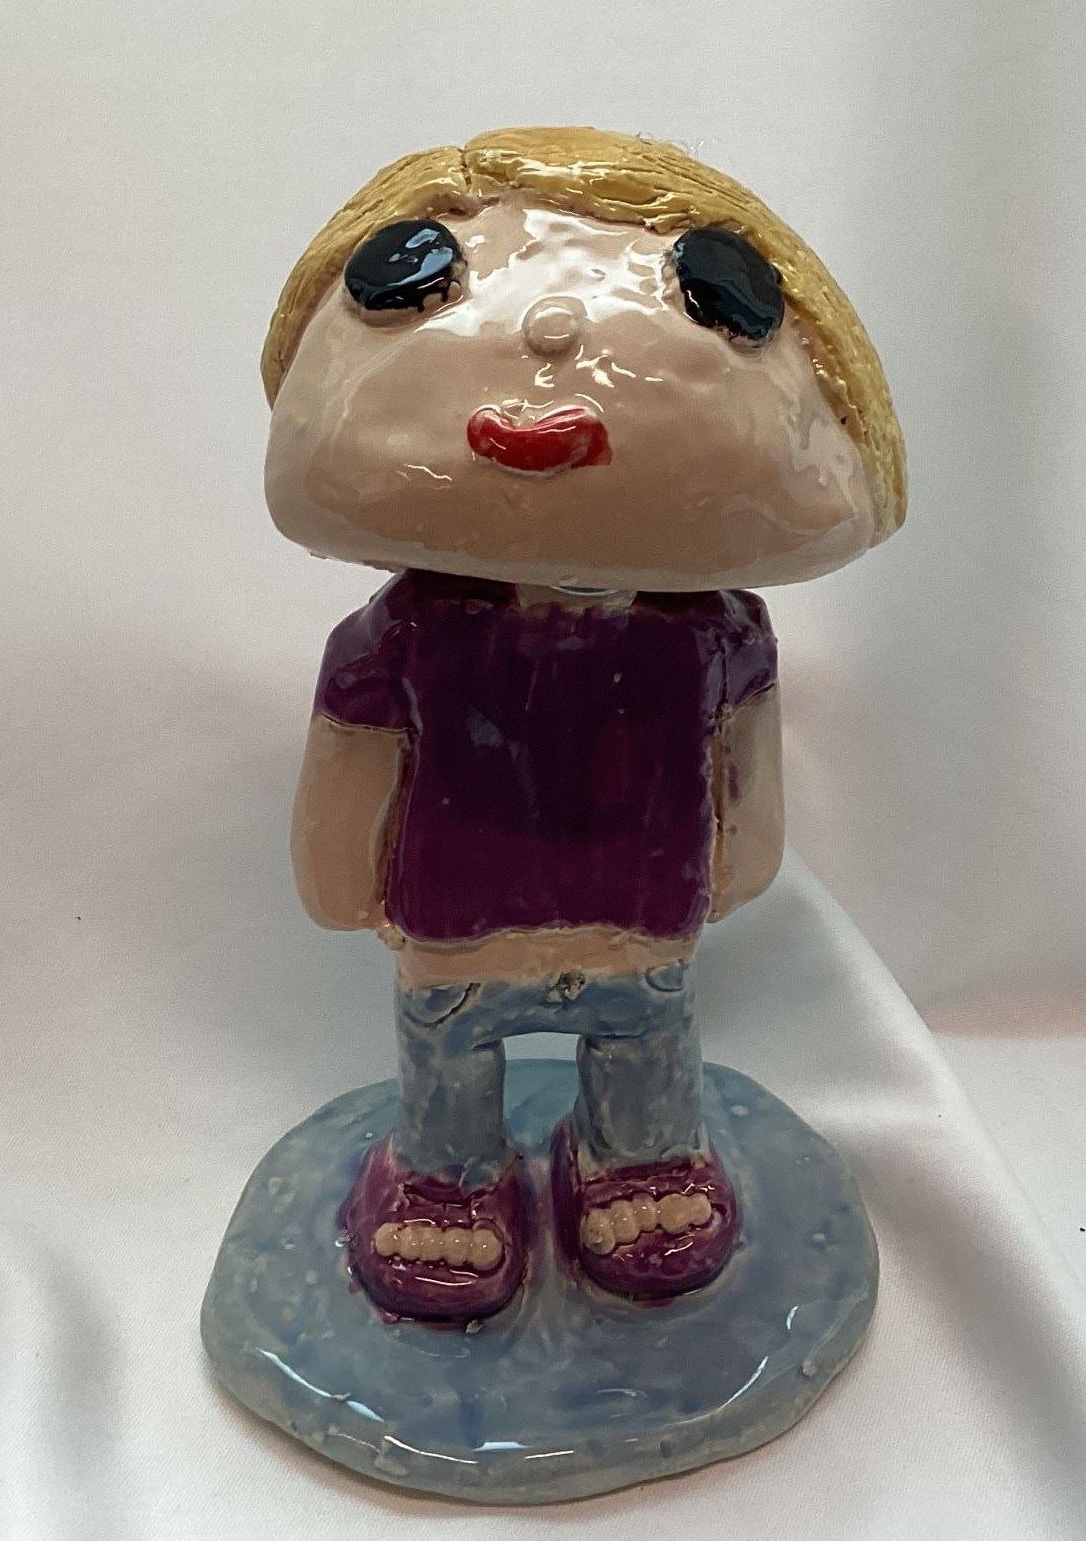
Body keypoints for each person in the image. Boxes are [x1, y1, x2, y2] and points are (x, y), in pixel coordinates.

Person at [261, 127, 905, 1320]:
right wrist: (338, 869)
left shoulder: (712, 634)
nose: (551, 332)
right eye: (410, 275)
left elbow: (743, 763)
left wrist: (746, 849)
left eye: (715, 291)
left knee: (642, 1036)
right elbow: (354, 757)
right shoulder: (401, 637)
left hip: (638, 898)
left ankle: (637, 1157)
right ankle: (447, 1172)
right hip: (456, 906)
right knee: (452, 1046)